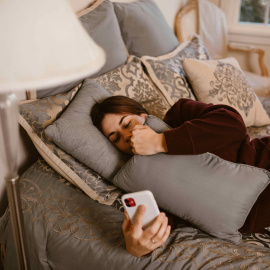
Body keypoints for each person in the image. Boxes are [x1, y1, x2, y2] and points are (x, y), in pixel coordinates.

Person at [91, 96, 270, 257]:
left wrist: (160, 142)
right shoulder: (140, 178)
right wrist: (136, 248)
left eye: (127, 123)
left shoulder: (179, 113)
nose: (127, 136)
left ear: (143, 115)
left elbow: (233, 124)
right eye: (116, 138)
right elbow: (171, 219)